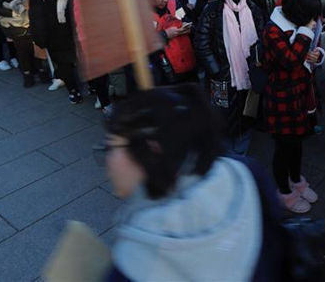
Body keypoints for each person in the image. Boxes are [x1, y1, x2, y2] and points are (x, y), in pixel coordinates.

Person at [100, 84, 264, 282]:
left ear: (152, 149)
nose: (108, 158)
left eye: (111, 146)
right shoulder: (245, 172)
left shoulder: (134, 262)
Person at [263, 0, 324, 214]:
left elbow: (310, 50)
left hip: (300, 92)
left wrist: (316, 55)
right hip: (281, 96)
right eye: (310, 16)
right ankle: (284, 192)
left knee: (297, 143)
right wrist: (306, 33)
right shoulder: (273, 29)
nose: (313, 21)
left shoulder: (301, 26)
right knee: (283, 146)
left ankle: (297, 180)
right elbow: (289, 60)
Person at [194, 0, 265, 156]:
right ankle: (223, 153)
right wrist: (215, 70)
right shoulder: (213, 10)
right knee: (221, 116)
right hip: (222, 76)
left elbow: (261, 37)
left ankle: (240, 152)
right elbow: (202, 42)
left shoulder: (253, 8)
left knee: (246, 113)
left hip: (249, 73)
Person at [28, 0, 82, 103]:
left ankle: (94, 87)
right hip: (54, 34)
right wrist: (40, 38)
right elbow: (36, 17)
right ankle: (73, 89)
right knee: (64, 65)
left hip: (76, 30)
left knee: (82, 61)